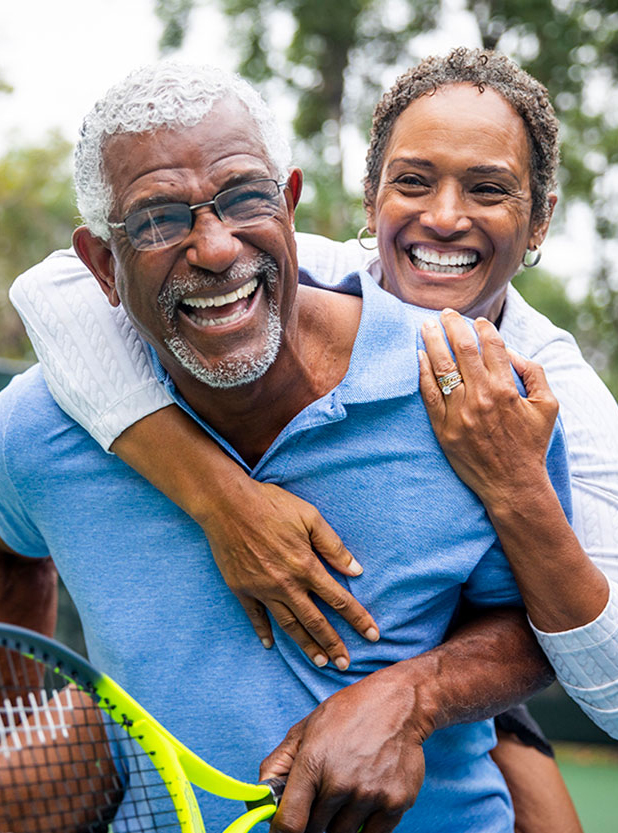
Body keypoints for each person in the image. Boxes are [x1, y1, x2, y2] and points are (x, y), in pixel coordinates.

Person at [0, 60, 574, 833]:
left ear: (291, 203)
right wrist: (26, 713)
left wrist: (412, 697)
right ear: (102, 263)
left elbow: (542, 629)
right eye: (158, 218)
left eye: (243, 198)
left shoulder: (477, 398)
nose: (214, 247)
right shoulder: (38, 427)